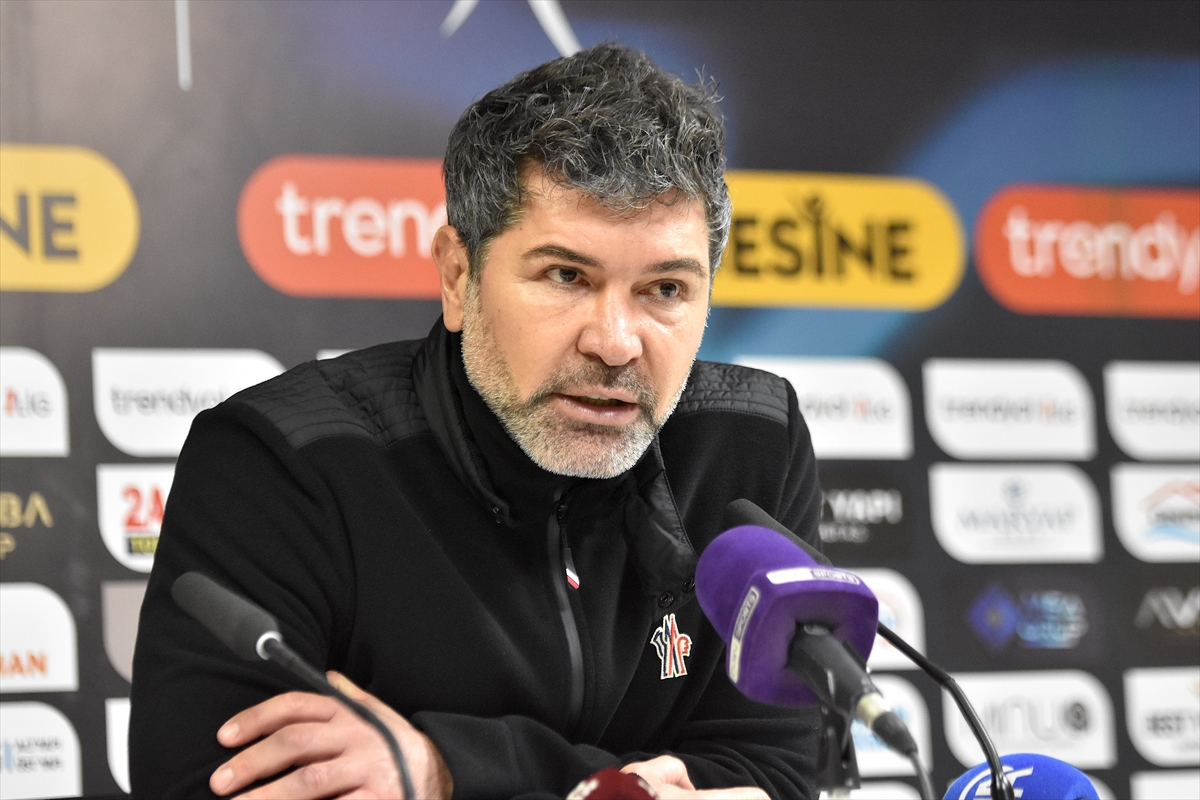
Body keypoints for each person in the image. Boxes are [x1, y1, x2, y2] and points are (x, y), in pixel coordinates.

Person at [129, 42, 822, 799]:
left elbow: (780, 773)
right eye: (567, 276)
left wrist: (447, 769)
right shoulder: (281, 463)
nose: (616, 343)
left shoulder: (753, 444)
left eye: (665, 289)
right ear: (458, 276)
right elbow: (210, 786)